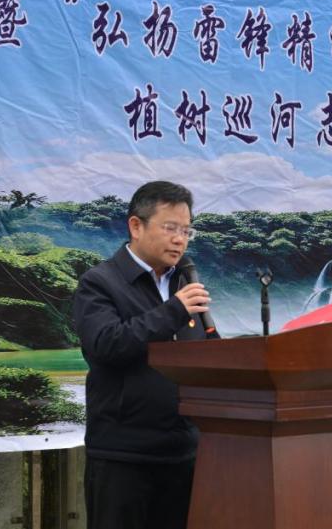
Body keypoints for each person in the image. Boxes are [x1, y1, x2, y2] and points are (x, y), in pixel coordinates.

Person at [72, 180, 212, 529]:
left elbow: (205, 355)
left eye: (186, 231)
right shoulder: (100, 282)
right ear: (136, 226)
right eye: (170, 228)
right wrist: (174, 311)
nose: (180, 240)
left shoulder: (183, 284)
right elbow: (107, 344)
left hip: (184, 453)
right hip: (123, 457)